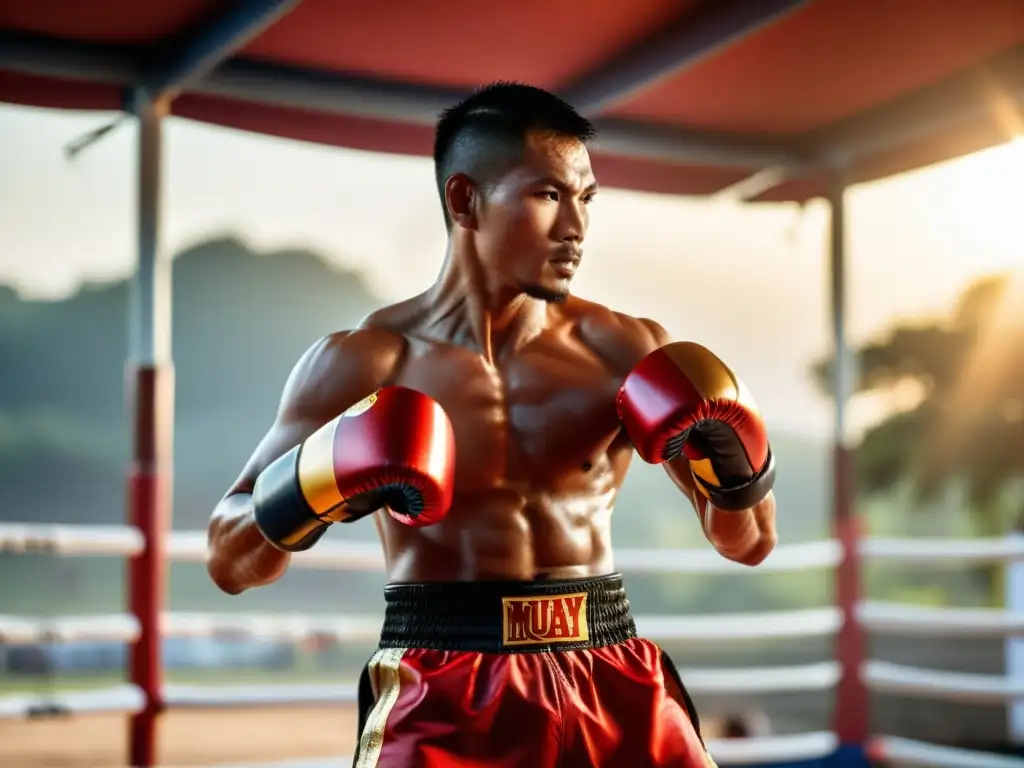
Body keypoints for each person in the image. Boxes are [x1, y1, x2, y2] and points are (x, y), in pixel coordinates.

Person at [206, 81, 777, 768]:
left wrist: (733, 461)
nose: (576, 227)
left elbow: (748, 543)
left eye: (585, 198)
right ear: (464, 199)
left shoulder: (626, 352)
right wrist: (314, 479)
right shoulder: (368, 361)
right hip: (447, 686)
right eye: (546, 195)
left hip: (613, 674)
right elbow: (230, 560)